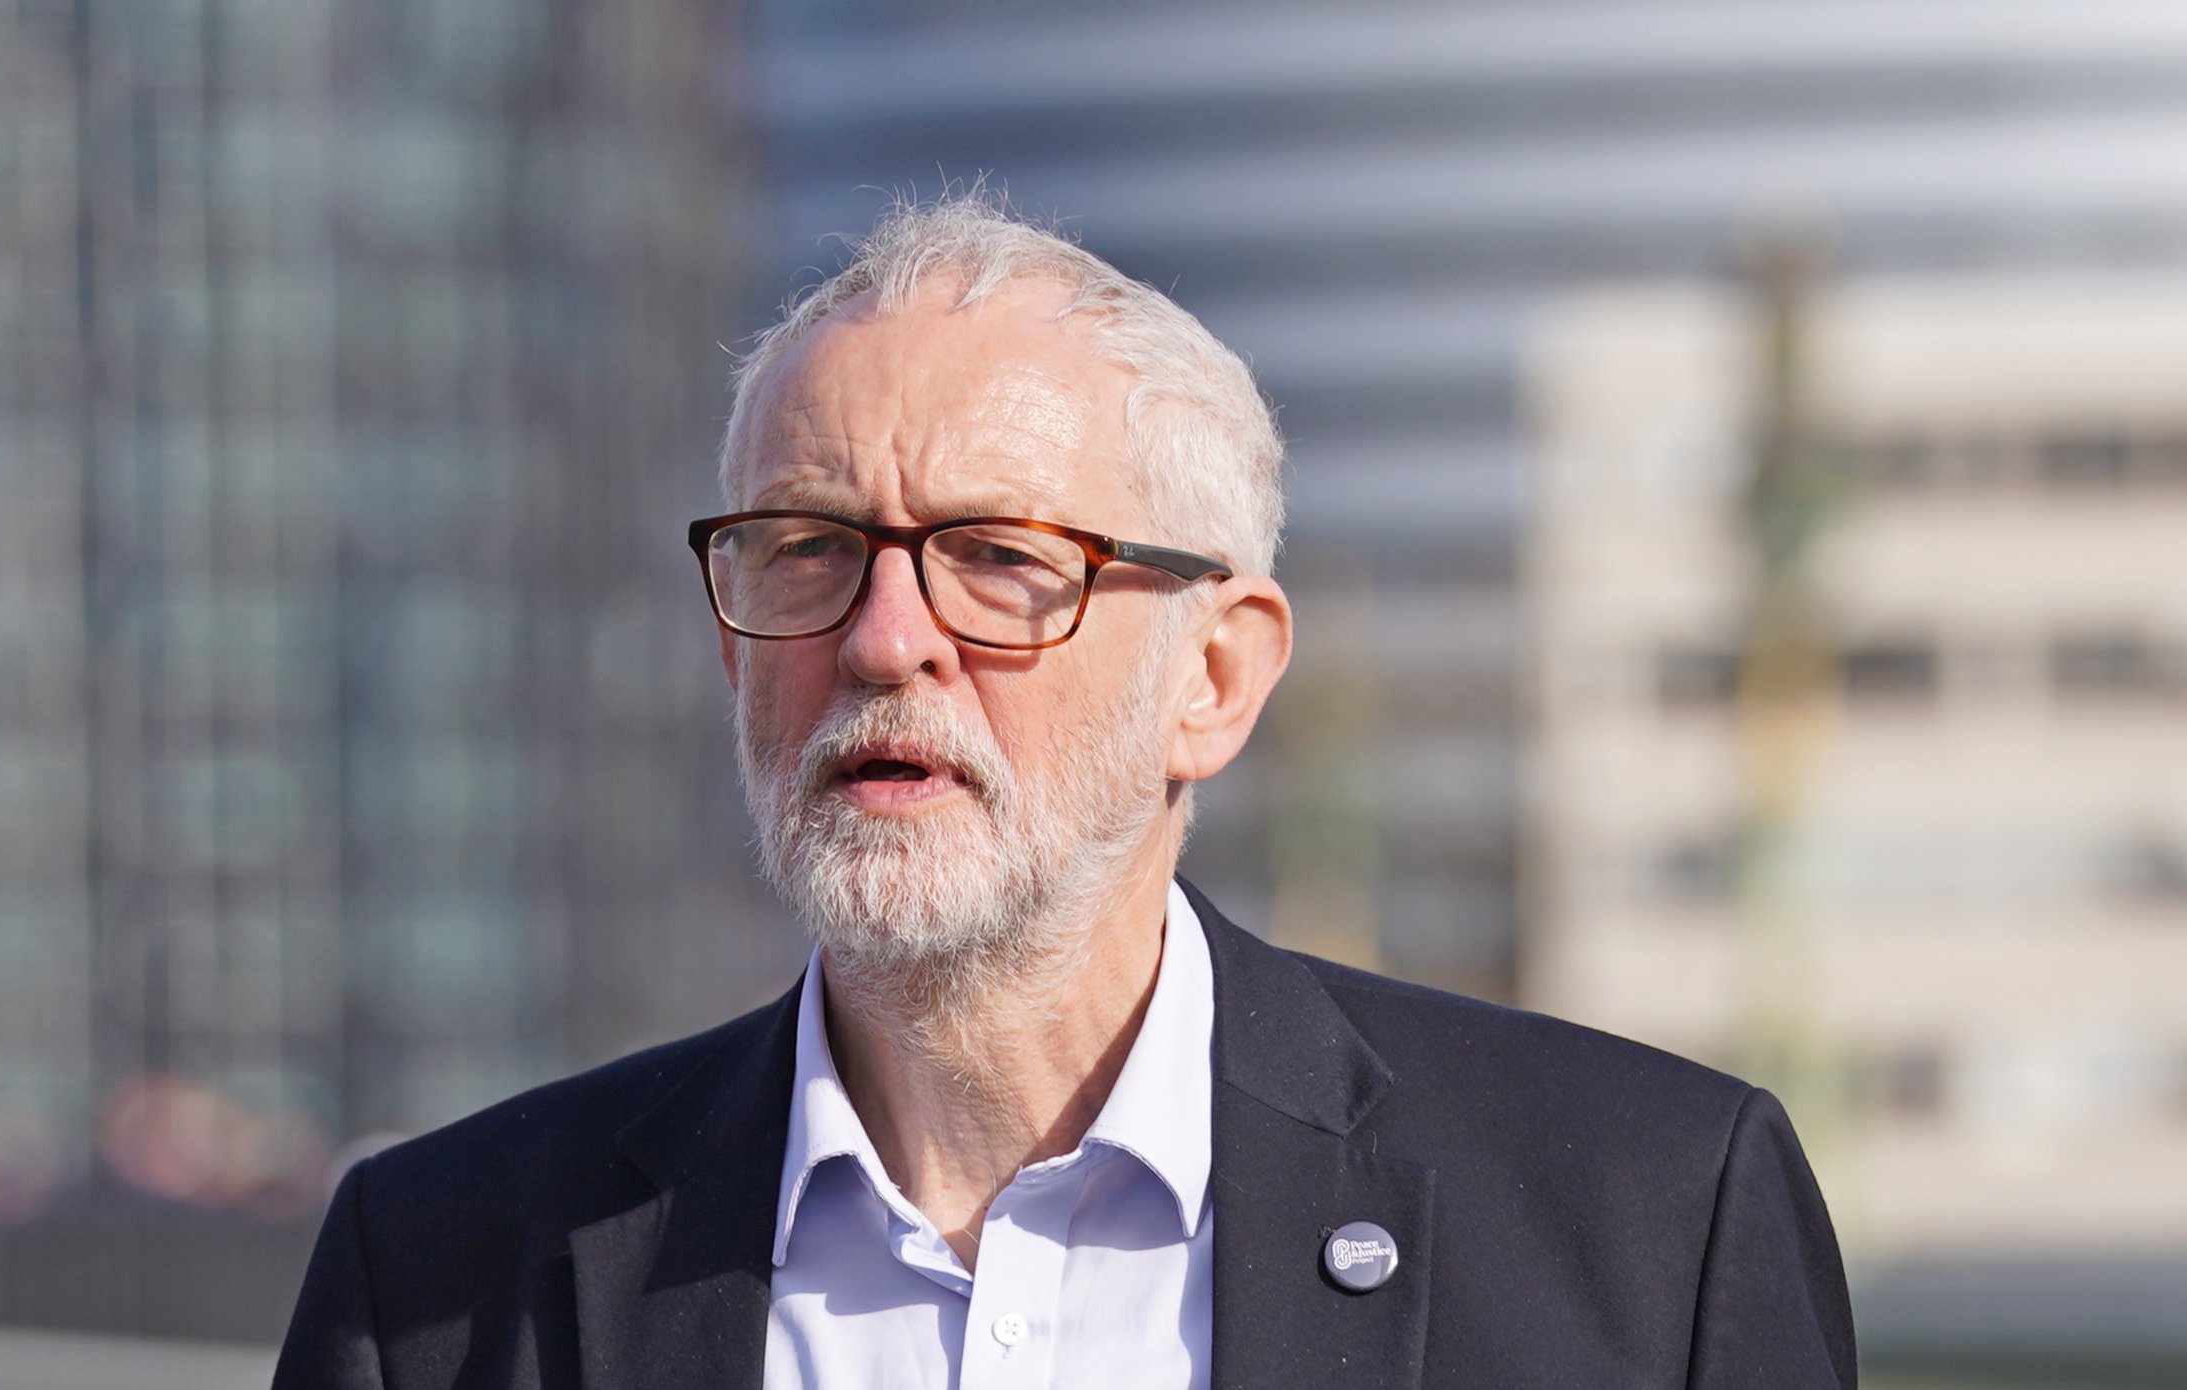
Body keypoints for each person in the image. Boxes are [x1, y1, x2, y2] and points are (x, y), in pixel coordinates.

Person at [272, 196, 1857, 1389]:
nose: (888, 641)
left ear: (1216, 677)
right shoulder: (439, 1276)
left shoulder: (1647, 1228)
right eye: (810, 550)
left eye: (1000, 562)